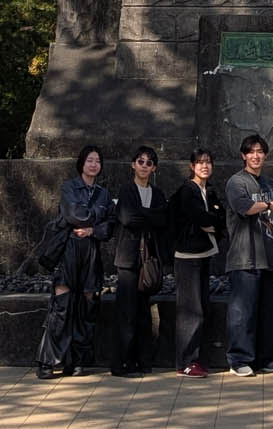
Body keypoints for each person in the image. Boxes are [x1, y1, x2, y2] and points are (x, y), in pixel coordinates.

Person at [36, 145, 115, 379]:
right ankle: (48, 361)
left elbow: (110, 225)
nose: (93, 164)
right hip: (69, 248)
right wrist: (97, 216)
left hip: (91, 250)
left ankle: (78, 360)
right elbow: (74, 215)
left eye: (97, 161)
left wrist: (93, 230)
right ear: (82, 163)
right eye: (90, 160)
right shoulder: (69, 187)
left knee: (87, 305)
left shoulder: (103, 194)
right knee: (62, 305)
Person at [223, 133, 273, 375]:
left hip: (268, 257)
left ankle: (264, 358)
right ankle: (239, 360)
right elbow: (244, 207)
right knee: (242, 312)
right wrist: (266, 205)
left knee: (268, 312)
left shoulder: (272, 184)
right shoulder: (236, 182)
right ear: (243, 155)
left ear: (265, 155)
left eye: (260, 151)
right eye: (251, 152)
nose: (255, 156)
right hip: (244, 257)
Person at [110, 146, 170, 376]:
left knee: (144, 312)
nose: (144, 166)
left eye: (149, 163)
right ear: (133, 164)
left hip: (149, 258)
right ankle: (121, 363)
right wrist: (149, 216)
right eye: (141, 161)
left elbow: (163, 219)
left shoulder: (157, 193)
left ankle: (142, 359)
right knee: (126, 312)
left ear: (154, 168)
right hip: (128, 258)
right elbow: (126, 217)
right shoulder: (127, 190)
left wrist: (142, 214)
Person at [168, 148, 226, 377]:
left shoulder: (209, 191)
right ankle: (185, 361)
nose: (204, 166)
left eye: (208, 162)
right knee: (190, 311)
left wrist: (213, 222)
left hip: (204, 253)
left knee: (202, 307)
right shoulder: (187, 190)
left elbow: (221, 219)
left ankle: (196, 359)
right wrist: (211, 220)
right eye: (200, 162)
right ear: (192, 166)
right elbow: (199, 216)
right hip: (187, 256)